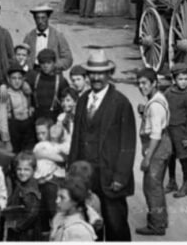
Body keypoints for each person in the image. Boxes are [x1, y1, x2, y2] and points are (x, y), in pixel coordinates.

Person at [67, 49, 136, 242]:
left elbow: (128, 143)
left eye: (101, 73)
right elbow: (76, 139)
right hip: (86, 177)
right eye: (93, 73)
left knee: (116, 225)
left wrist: (120, 176)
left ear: (108, 74)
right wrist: (72, 171)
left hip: (110, 176)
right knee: (89, 224)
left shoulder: (121, 103)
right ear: (87, 75)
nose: (96, 78)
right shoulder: (82, 100)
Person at [136, 67, 171, 236]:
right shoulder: (156, 99)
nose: (141, 87)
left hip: (156, 148)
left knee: (152, 188)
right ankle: (160, 220)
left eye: (145, 83)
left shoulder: (155, 105)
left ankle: (156, 226)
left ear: (155, 83)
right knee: (154, 187)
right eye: (139, 83)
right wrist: (144, 111)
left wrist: (147, 158)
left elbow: (156, 134)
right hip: (161, 146)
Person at [163, 64, 187, 199]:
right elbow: (162, 107)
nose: (184, 82)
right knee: (170, 156)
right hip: (169, 130)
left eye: (186, 79)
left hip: (180, 131)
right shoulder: (168, 93)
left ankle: (186, 184)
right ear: (174, 80)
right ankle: (172, 182)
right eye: (181, 79)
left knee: (183, 157)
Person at [23, 4, 73, 72]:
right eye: (38, 18)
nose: (40, 21)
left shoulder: (58, 36)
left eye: (43, 18)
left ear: (48, 18)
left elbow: (68, 59)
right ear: (34, 19)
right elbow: (23, 56)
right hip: (34, 71)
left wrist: (54, 66)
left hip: (52, 72)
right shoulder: (29, 36)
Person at [6, 149, 43, 241]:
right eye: (19, 169)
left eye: (26, 169)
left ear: (34, 170)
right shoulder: (21, 184)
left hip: (26, 233)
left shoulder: (31, 190)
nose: (22, 173)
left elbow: (32, 214)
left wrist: (17, 227)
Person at [50, 175, 98, 241]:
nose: (57, 201)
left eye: (62, 198)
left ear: (75, 201)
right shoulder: (59, 218)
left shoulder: (79, 231)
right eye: (57, 196)